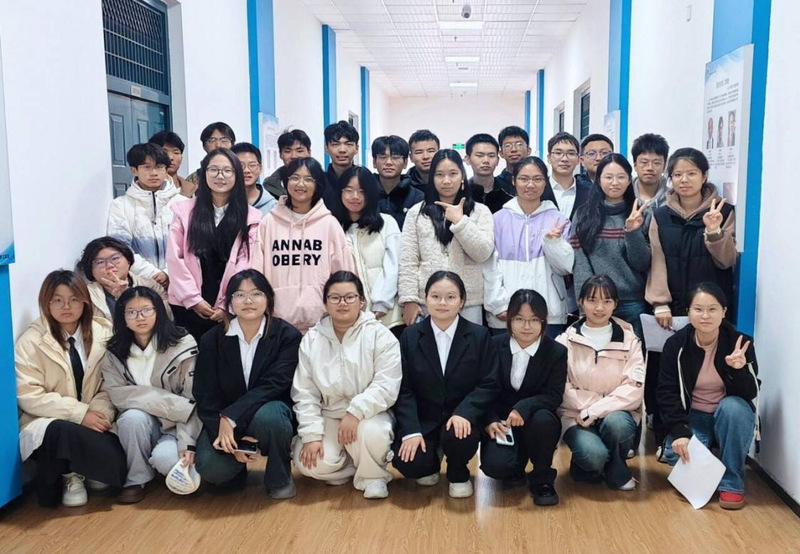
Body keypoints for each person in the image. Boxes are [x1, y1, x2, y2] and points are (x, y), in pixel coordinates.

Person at [15, 270, 126, 507]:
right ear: (46, 303)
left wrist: (97, 414)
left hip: (95, 415)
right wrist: (79, 414)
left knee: (117, 458)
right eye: (57, 300)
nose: (66, 306)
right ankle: (71, 476)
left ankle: (89, 467)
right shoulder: (30, 341)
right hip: (50, 420)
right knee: (60, 431)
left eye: (74, 299)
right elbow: (29, 395)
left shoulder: (103, 333)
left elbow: (111, 383)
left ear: (85, 302)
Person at [292, 271, 402, 499]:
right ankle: (352, 464)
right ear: (325, 303)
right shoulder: (311, 340)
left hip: (369, 414)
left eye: (350, 297)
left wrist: (355, 411)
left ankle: (373, 476)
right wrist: (311, 435)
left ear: (361, 301)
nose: (342, 303)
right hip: (329, 413)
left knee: (372, 433)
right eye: (335, 297)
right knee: (309, 464)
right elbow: (305, 392)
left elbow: (386, 384)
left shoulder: (380, 336)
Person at [193, 269, 302, 498]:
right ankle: (235, 471)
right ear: (229, 302)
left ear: (268, 299)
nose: (248, 301)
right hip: (224, 420)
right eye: (239, 295)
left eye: (256, 293)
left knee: (272, 416)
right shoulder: (212, 339)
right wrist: (229, 433)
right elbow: (205, 393)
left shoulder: (287, 336)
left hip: (266, 412)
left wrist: (230, 417)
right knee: (212, 469)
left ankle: (279, 478)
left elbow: (273, 385)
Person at [392, 271, 499, 498]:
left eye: (450, 297)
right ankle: (430, 461)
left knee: (460, 435)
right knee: (411, 464)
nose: (442, 303)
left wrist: (465, 412)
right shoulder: (410, 336)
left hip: (461, 419)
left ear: (462, 301)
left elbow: (488, 383)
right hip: (425, 419)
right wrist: (411, 430)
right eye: (435, 296)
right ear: (425, 298)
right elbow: (404, 388)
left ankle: (458, 471)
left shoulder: (479, 335)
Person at [658, 282, 759, 510]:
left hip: (726, 413)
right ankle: (714, 460)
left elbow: (750, 393)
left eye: (713, 309)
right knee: (675, 454)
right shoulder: (676, 345)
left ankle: (732, 482)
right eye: (698, 309)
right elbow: (666, 392)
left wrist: (738, 370)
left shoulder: (740, 343)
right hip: (692, 415)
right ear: (688, 312)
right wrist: (680, 432)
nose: (705, 316)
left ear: (724, 312)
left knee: (735, 408)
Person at [102, 287, 200, 503]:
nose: (140, 317)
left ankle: (158, 461)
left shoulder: (182, 345)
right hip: (143, 424)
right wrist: (176, 405)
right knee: (131, 417)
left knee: (166, 460)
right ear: (122, 317)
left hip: (177, 428)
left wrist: (187, 443)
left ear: (159, 311)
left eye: (147, 310)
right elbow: (117, 394)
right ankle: (136, 480)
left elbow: (193, 401)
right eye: (131, 312)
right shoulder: (114, 351)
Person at [557, 275, 645, 491]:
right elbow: (561, 387)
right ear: (580, 302)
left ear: (615, 304)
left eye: (607, 301)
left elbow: (634, 388)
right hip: (576, 415)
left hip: (617, 413)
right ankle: (595, 463)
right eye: (592, 300)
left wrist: (596, 410)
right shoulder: (564, 341)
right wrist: (592, 407)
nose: (599, 308)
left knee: (618, 425)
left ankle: (615, 466)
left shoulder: (630, 340)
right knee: (593, 455)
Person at [480, 289, 566, 506]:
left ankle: (543, 479)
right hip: (502, 421)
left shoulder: (556, 351)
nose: (527, 327)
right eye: (519, 319)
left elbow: (553, 395)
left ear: (544, 321)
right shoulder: (493, 345)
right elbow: (484, 388)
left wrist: (524, 407)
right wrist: (489, 419)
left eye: (534, 320)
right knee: (496, 467)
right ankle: (515, 466)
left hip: (537, 418)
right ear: (509, 319)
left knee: (543, 421)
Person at [251, 157, 355, 334]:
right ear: (286, 182)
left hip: (322, 323)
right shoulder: (269, 223)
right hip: (277, 323)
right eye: (295, 177)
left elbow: (344, 273)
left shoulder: (329, 224)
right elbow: (256, 271)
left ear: (318, 185)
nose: (300, 184)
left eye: (308, 179)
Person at [167, 148, 262, 341]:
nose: (220, 176)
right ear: (204, 173)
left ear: (236, 175)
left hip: (230, 308)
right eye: (214, 170)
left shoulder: (250, 217)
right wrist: (193, 299)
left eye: (227, 171)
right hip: (187, 305)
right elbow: (175, 259)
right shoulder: (184, 212)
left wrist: (227, 304)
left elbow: (246, 263)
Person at [398, 149, 494, 326]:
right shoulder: (417, 213)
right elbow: (408, 260)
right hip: (428, 299)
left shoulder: (480, 211)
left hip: (468, 301)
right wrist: (409, 299)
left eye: (453, 174)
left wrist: (460, 222)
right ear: (432, 178)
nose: (447, 181)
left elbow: (483, 253)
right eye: (439, 175)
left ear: (462, 176)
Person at [646, 148, 737, 329]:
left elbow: (727, 261)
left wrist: (714, 231)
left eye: (691, 173)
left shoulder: (723, 212)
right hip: (674, 307)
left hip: (712, 307)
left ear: (704, 176)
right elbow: (657, 260)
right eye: (677, 175)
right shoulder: (660, 216)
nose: (684, 180)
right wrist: (660, 303)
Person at [486, 157, 572, 338]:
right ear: (514, 181)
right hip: (506, 313)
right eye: (524, 179)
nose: (530, 185)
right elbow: (489, 266)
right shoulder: (498, 220)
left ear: (545, 182)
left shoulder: (558, 219)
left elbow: (565, 268)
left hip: (549, 313)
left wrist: (553, 243)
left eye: (537, 179)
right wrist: (498, 305)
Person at [571, 154, 651, 339]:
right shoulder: (584, 215)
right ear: (598, 180)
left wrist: (632, 231)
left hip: (632, 302)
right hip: (596, 302)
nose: (615, 182)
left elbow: (642, 264)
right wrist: (585, 303)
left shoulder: (643, 214)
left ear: (629, 180)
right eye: (608, 177)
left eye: (621, 177)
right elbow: (580, 263)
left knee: (631, 353)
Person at [333, 166, 403, 332]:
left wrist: (381, 302)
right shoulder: (334, 227)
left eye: (362, 191)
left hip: (389, 317)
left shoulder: (387, 223)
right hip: (350, 319)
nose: (355, 196)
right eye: (349, 190)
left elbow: (394, 266)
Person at [107, 142, 181, 285]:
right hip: (138, 283)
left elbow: (191, 246)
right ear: (134, 170)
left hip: (179, 281)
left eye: (159, 167)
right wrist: (152, 274)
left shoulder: (182, 203)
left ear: (166, 170)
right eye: (147, 167)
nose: (154, 173)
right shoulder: (120, 205)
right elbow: (120, 248)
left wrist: (168, 273)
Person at [78, 236, 172, 322]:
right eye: (100, 262)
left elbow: (168, 317)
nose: (109, 265)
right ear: (91, 270)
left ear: (128, 261)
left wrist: (129, 297)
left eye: (115, 258)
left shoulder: (151, 286)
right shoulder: (85, 295)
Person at [372, 135, 423, 230]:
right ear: (374, 162)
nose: (389, 162)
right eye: (382, 157)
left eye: (395, 157)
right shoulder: (365, 194)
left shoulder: (417, 197)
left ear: (405, 162)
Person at [546, 132, 593, 221]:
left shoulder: (590, 192)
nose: (564, 159)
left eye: (571, 153)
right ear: (549, 158)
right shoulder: (538, 189)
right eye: (558, 153)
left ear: (578, 159)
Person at [465, 133, 514, 214]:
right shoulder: (461, 193)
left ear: (497, 160)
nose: (486, 161)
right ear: (467, 159)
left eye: (491, 156)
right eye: (479, 155)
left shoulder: (509, 193)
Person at [263, 129, 312, 200]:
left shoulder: (323, 182)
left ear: (309, 153)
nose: (294, 156)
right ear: (280, 154)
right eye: (288, 151)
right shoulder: (269, 187)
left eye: (299, 151)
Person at [231, 142, 277, 217]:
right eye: (240, 165)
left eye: (252, 165)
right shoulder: (223, 203)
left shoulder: (274, 207)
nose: (246, 170)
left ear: (260, 169)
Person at [323, 120, 359, 209]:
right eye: (335, 144)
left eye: (348, 144)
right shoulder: (319, 182)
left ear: (357, 148)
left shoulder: (364, 180)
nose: (342, 150)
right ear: (326, 148)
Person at [631, 133, 670, 212]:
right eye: (644, 162)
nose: (650, 168)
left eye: (656, 163)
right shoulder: (623, 195)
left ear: (664, 167)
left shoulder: (673, 199)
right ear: (635, 165)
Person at [149, 130, 194, 198]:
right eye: (164, 152)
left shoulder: (193, 190)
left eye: (176, 153)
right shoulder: (143, 192)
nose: (170, 157)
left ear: (181, 159)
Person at [497, 126, 532, 192]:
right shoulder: (495, 184)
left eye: (519, 144)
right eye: (508, 145)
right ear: (501, 153)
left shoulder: (538, 182)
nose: (513, 149)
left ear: (528, 150)